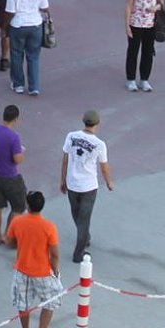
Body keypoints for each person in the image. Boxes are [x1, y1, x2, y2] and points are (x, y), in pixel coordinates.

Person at [5, 189, 62, 328]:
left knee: (23, 304)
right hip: (43, 272)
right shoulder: (49, 227)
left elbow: (9, 242)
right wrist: (55, 271)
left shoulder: (17, 221)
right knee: (50, 303)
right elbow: (55, 254)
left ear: (27, 205)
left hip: (22, 271)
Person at [60, 111, 113, 265]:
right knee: (84, 219)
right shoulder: (99, 144)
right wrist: (109, 182)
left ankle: (85, 237)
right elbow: (104, 167)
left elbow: (65, 159)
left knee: (76, 214)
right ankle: (78, 253)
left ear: (83, 121)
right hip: (88, 186)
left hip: (72, 183)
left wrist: (62, 179)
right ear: (97, 124)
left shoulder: (71, 136)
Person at [4, 0, 48, 97]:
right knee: (33, 56)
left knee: (16, 55)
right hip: (35, 24)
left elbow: (10, 12)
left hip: (18, 25)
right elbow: (44, 8)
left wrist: (5, 27)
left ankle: (18, 85)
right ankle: (34, 87)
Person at [0, 104, 28, 246]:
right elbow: (17, 159)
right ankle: (7, 235)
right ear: (15, 119)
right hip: (10, 177)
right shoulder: (14, 137)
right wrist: (21, 153)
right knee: (18, 206)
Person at [124, 0, 164, 92]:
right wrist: (127, 26)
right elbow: (128, 7)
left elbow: (162, 3)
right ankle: (130, 80)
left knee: (148, 52)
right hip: (135, 23)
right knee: (133, 51)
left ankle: (144, 79)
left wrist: (156, 7)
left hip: (150, 24)